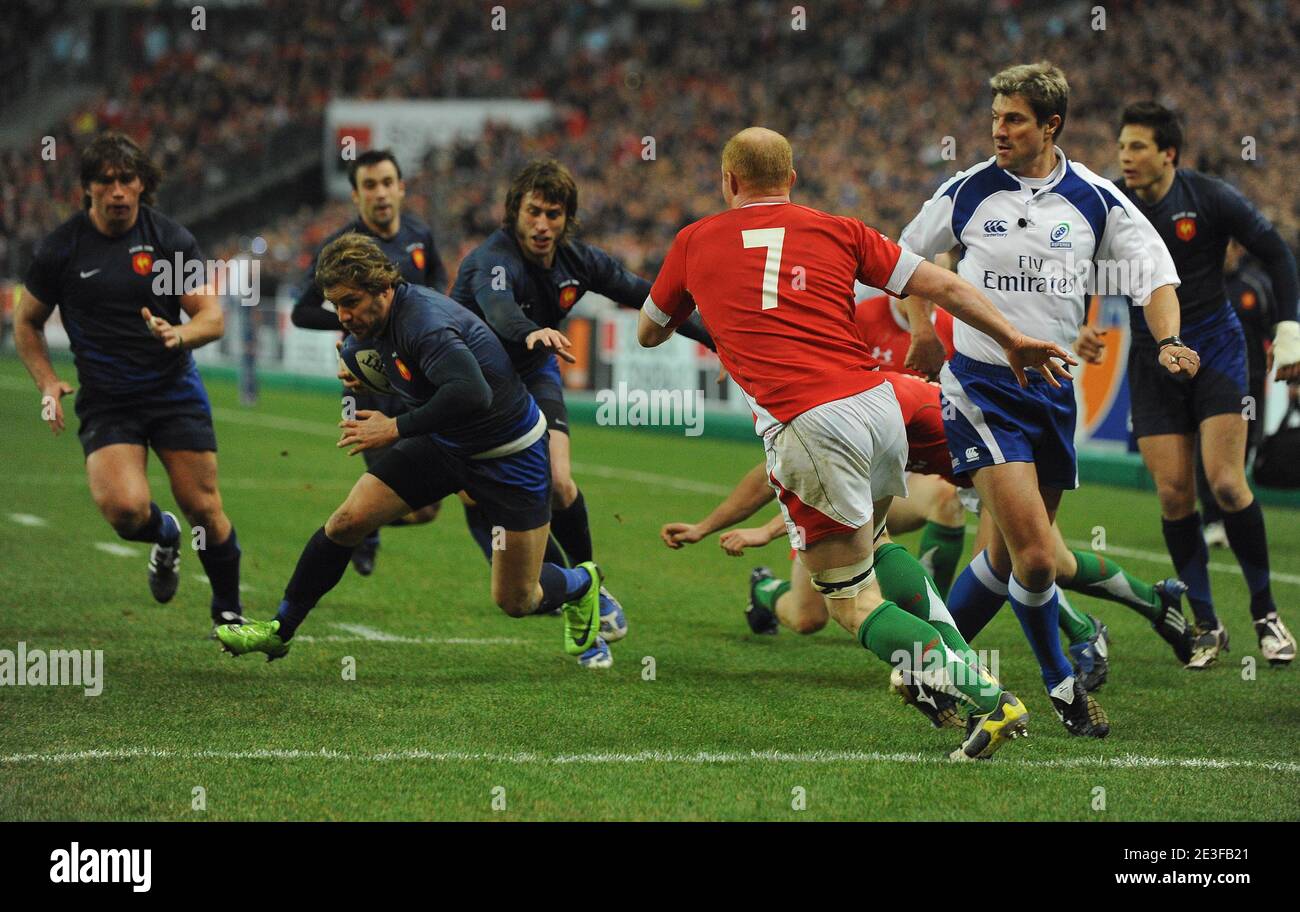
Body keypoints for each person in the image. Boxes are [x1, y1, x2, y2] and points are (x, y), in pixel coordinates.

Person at [641, 126, 1076, 761]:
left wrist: (712, 310)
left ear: (728, 182)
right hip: (879, 405)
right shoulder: (840, 229)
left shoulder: (693, 240)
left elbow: (652, 331)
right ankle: (955, 669)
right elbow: (945, 287)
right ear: (792, 179)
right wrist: (1012, 338)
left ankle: (988, 696)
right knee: (876, 544)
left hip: (808, 423)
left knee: (847, 601)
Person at [899, 62, 1191, 737]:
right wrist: (923, 330)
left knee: (1005, 560)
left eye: (1014, 120)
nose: (998, 130)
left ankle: (925, 667)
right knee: (1037, 554)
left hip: (1054, 393)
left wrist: (1169, 338)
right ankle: (1063, 687)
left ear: (1050, 125)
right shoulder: (966, 191)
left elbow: (1155, 278)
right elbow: (904, 261)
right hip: (981, 387)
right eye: (996, 117)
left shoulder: (1095, 198)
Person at [217, 233, 621, 668]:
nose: (344, 315)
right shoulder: (378, 324)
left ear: (383, 287)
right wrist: (378, 379)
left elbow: (471, 392)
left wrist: (394, 426)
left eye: (351, 301)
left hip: (511, 455)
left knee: (518, 599)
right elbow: (424, 379)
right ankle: (279, 630)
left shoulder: (423, 322)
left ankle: (583, 583)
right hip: (446, 444)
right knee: (347, 521)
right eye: (337, 305)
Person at [16, 132, 245, 633]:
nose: (118, 191)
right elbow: (25, 322)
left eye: (127, 179)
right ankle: (164, 535)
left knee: (204, 508)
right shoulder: (62, 248)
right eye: (106, 181)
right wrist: (48, 383)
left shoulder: (169, 241)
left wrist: (179, 333)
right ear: (88, 188)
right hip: (107, 400)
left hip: (172, 392)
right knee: (124, 511)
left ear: (143, 184)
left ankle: (227, 609)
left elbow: (212, 318)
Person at [450, 159, 712, 586]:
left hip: (534, 374)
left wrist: (718, 342)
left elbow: (651, 299)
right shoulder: (491, 260)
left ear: (566, 219)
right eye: (533, 212)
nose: (541, 224)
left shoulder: (580, 261)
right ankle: (543, 579)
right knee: (478, 493)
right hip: (475, 384)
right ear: (515, 211)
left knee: (558, 483)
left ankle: (590, 584)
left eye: (552, 215)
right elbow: (501, 313)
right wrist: (531, 331)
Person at [1117, 101, 1298, 667]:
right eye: (1122, 145)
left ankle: (1266, 613)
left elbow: (1276, 253)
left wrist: (1289, 328)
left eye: (1138, 146)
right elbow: (1073, 269)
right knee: (1173, 493)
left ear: (1168, 153)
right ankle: (1206, 622)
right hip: (1150, 361)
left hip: (1216, 351)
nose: (1125, 155)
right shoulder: (1110, 208)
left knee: (1224, 483)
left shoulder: (1210, 197)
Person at [292, 149, 449, 577]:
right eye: (369, 186)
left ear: (401, 188)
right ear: (356, 196)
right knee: (387, 483)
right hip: (366, 383)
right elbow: (301, 311)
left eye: (386, 183)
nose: (380, 194)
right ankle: (362, 525)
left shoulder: (420, 235)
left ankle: (366, 527)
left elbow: (437, 287)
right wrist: (356, 322)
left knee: (427, 509)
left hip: (417, 381)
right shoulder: (340, 248)